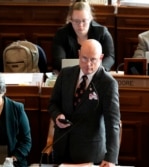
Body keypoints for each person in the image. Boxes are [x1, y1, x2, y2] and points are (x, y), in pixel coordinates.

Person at [48, 39, 121, 167]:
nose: (88, 64)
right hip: (62, 148)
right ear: (78, 54)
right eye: (84, 59)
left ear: (101, 58)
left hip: (89, 152)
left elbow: (113, 123)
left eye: (93, 59)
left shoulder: (108, 83)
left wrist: (111, 157)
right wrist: (57, 116)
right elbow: (53, 104)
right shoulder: (65, 74)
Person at [51, 0, 115, 73]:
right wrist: (81, 71)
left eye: (84, 21)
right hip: (70, 75)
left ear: (90, 18)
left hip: (96, 75)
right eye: (76, 21)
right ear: (70, 20)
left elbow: (110, 57)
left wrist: (98, 71)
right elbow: (58, 61)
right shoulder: (61, 34)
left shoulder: (102, 32)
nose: (80, 25)